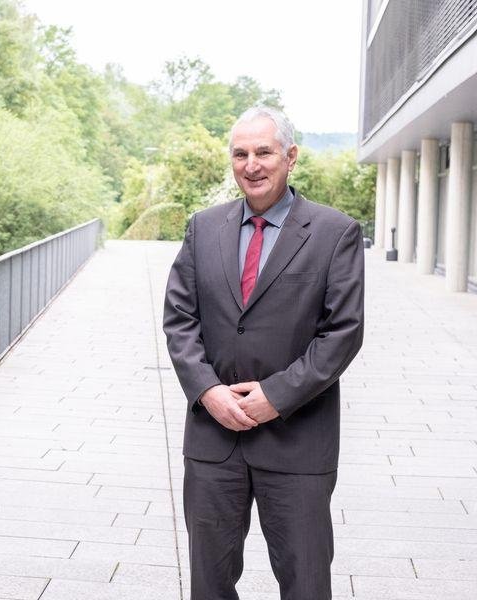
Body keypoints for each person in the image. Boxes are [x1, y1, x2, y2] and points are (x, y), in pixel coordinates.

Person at [163, 106, 365, 600]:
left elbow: (343, 332)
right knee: (208, 584)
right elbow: (179, 319)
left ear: (290, 157)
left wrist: (274, 396)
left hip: (297, 439)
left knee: (306, 582)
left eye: (264, 152)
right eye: (240, 154)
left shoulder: (335, 232)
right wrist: (208, 391)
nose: (251, 164)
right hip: (214, 440)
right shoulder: (203, 227)